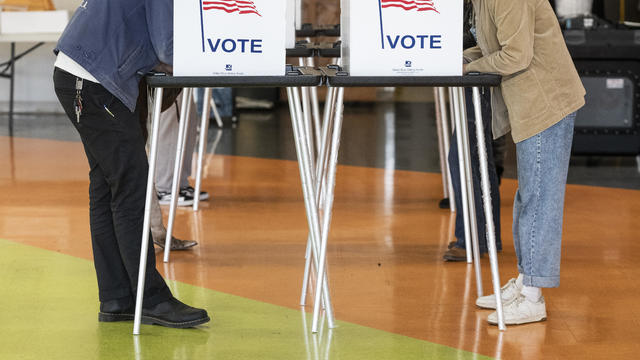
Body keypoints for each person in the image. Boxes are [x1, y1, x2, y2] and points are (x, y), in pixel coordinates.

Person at [52, 0, 210, 328]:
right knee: (130, 186)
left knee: (107, 187)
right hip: (93, 81)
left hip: (79, 74)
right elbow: (168, 49)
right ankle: (151, 299)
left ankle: (116, 298)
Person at [464, 0, 585, 325]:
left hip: (546, 101)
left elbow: (516, 55)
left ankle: (533, 297)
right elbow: (494, 46)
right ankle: (523, 282)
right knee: (528, 197)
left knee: (540, 200)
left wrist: (467, 68)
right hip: (531, 102)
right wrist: (456, 60)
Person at [443, 0, 502, 262]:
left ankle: (473, 239)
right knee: (475, 155)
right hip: (477, 69)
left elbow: (487, 39)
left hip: (481, 73)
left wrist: (464, 61)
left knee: (467, 155)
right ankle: (482, 237)